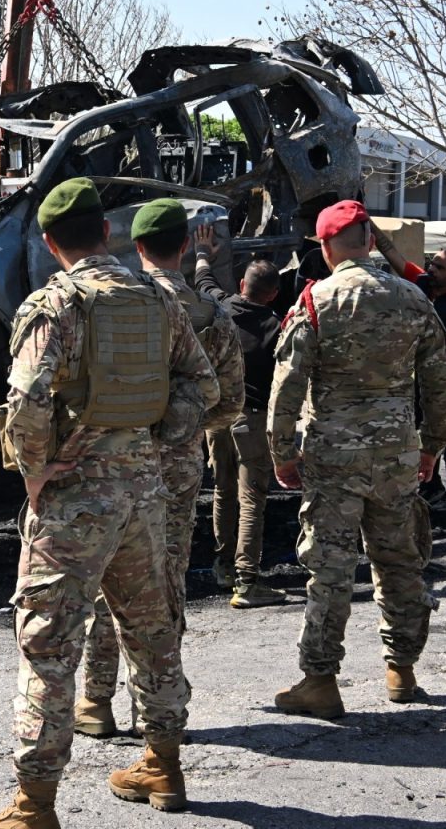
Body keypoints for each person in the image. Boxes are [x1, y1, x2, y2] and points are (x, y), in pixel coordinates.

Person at [0, 178, 214, 828]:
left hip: (75, 500)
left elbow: (26, 399)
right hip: (144, 494)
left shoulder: (55, 304)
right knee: (153, 634)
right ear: (107, 233)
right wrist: (156, 440)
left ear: (50, 243)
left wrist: (35, 470)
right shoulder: (158, 300)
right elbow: (202, 382)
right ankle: (163, 764)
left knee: (48, 646)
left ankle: (34, 805)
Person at [267, 201, 446, 719]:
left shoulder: (315, 302)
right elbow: (442, 384)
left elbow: (287, 388)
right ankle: (402, 669)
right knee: (398, 561)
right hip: (396, 455)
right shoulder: (414, 299)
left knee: (329, 568)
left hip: (333, 456)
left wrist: (282, 452)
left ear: (326, 248)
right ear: (370, 241)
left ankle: (320, 680)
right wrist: (433, 446)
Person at [77, 200, 236, 740]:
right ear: (185, 245)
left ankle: (95, 701)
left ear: (136, 247)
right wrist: (185, 430)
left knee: (107, 580)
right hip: (179, 469)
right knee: (163, 584)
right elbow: (230, 401)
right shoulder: (210, 314)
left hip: (112, 461)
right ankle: (157, 709)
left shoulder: (113, 302)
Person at [193, 224, 287, 607]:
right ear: (273, 294)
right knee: (252, 498)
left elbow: (203, 281)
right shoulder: (276, 328)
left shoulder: (220, 308)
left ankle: (223, 566)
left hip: (217, 416)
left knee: (223, 489)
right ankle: (247, 581)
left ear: (242, 284)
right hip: (252, 419)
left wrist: (203, 251)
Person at [375, 239, 446, 510]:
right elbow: (393, 253)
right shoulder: (422, 283)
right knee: (422, 428)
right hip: (422, 374)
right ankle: (431, 485)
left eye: (439, 267)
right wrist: (368, 224)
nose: (431, 269)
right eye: (432, 264)